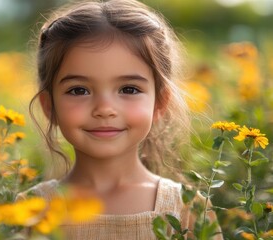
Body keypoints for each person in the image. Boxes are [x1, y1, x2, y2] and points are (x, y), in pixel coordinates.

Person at [18, 0, 223, 239]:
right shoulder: (30, 210)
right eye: (79, 90)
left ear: (160, 103)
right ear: (49, 106)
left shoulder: (187, 208)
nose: (105, 109)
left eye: (129, 89)